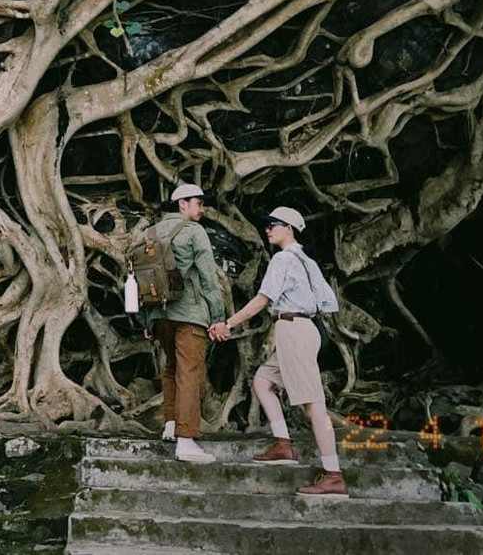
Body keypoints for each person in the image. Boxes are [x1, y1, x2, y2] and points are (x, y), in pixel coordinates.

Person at [207, 206, 346, 497]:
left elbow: (262, 300)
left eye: (274, 224)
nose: (268, 229)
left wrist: (228, 324)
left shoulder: (284, 259)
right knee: (262, 381)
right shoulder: (305, 260)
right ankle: (284, 444)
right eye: (268, 225)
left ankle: (333, 475)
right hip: (302, 329)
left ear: (290, 229)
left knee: (313, 404)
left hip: (295, 328)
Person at [146, 182, 226, 464]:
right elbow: (209, 280)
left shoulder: (149, 232)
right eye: (198, 203)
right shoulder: (194, 232)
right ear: (182, 203)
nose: (201, 209)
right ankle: (187, 441)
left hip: (159, 316)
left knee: (171, 368)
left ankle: (171, 424)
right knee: (190, 373)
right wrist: (218, 317)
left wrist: (147, 320)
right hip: (189, 314)